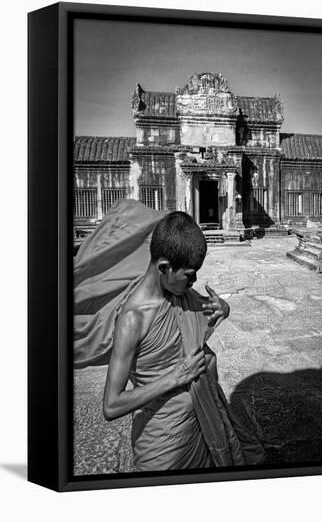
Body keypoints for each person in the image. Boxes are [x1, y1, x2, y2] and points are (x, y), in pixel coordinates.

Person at [74, 199, 264, 471]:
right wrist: (176, 377)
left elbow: (197, 326)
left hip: (203, 422)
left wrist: (224, 308)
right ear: (163, 267)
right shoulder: (132, 319)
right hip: (163, 443)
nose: (194, 283)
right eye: (189, 275)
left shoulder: (178, 295)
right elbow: (112, 405)